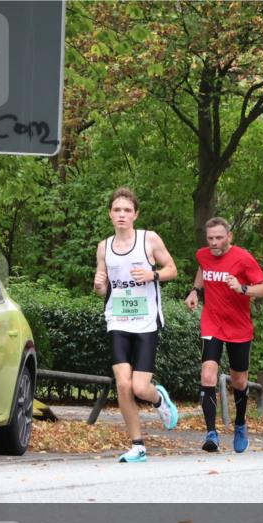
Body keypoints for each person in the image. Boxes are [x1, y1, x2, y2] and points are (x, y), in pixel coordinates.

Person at [93, 187, 180, 463]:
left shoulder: (149, 240)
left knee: (140, 388)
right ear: (110, 214)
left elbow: (172, 270)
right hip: (117, 319)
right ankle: (137, 445)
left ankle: (159, 400)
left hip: (145, 322)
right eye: (117, 210)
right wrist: (99, 285)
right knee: (122, 384)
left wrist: (151, 274)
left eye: (127, 210)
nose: (122, 215)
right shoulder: (103, 247)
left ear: (135, 215)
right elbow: (103, 287)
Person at [185, 217, 263, 453]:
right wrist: (195, 291)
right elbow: (203, 269)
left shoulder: (243, 258)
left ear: (229, 237)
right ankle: (211, 433)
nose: (213, 243)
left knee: (239, 380)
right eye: (210, 238)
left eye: (218, 238)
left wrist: (243, 288)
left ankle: (240, 423)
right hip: (212, 323)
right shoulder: (203, 254)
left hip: (239, 327)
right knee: (208, 374)